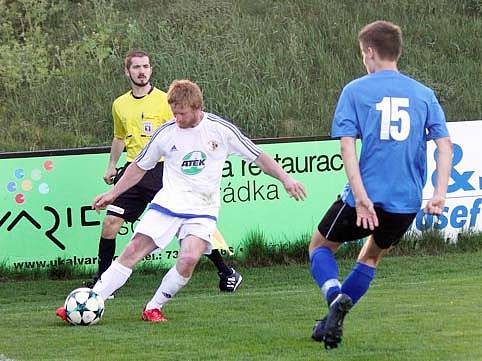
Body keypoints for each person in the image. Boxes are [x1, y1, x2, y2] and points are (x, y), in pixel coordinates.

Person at [61, 79, 307, 322]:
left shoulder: (220, 130)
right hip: (168, 204)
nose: (176, 118)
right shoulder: (166, 133)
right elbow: (138, 167)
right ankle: (91, 300)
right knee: (132, 251)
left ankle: (153, 307)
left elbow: (258, 157)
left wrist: (285, 179)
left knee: (188, 259)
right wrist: (112, 194)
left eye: (181, 113)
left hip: (203, 209)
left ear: (197, 107)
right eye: (174, 113)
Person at [309, 20, 452, 349]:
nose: (363, 60)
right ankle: (334, 316)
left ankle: (334, 298)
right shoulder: (424, 94)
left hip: (366, 197)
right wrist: (439, 194)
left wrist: (360, 198)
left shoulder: (356, 90)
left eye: (363, 54)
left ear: (370, 52)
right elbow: (445, 146)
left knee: (319, 247)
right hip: (406, 201)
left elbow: (347, 147)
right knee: (370, 258)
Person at [84, 50, 242, 295]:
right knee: (110, 223)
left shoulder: (165, 100)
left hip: (164, 171)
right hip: (135, 168)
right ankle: (103, 282)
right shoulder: (119, 104)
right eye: (136, 67)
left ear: (151, 69)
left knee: (189, 226)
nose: (141, 71)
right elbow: (119, 136)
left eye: (145, 66)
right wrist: (111, 164)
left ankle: (226, 270)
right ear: (127, 71)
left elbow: (188, 127)